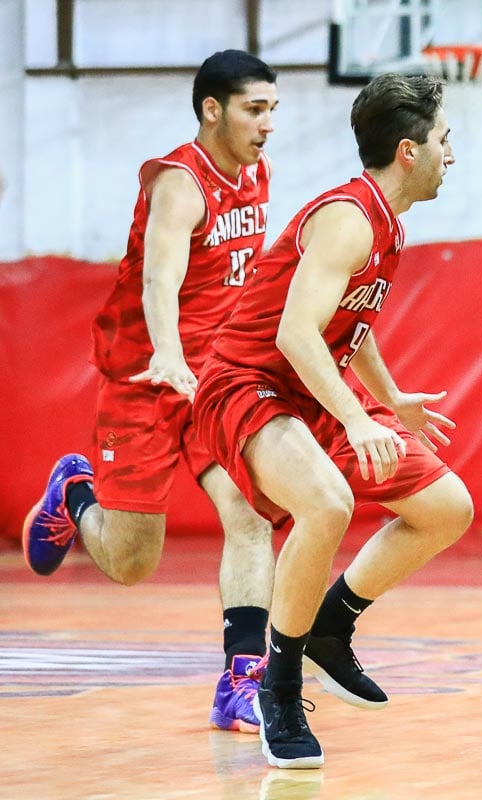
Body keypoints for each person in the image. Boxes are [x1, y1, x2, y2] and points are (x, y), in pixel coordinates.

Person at [191, 73, 473, 769]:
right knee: (326, 504)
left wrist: (392, 398)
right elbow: (293, 333)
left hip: (312, 384)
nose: (452, 154)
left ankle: (329, 627)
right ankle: (278, 691)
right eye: (445, 140)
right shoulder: (350, 216)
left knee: (448, 508)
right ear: (409, 150)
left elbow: (350, 324)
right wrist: (356, 419)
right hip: (247, 382)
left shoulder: (388, 221)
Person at [22, 50, 279, 734]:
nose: (268, 124)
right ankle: (73, 494)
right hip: (146, 377)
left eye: (273, 109)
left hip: (215, 381)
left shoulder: (259, 174)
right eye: (256, 109)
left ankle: (241, 681)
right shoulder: (179, 183)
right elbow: (159, 278)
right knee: (133, 564)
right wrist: (167, 350)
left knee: (252, 514)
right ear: (212, 110)